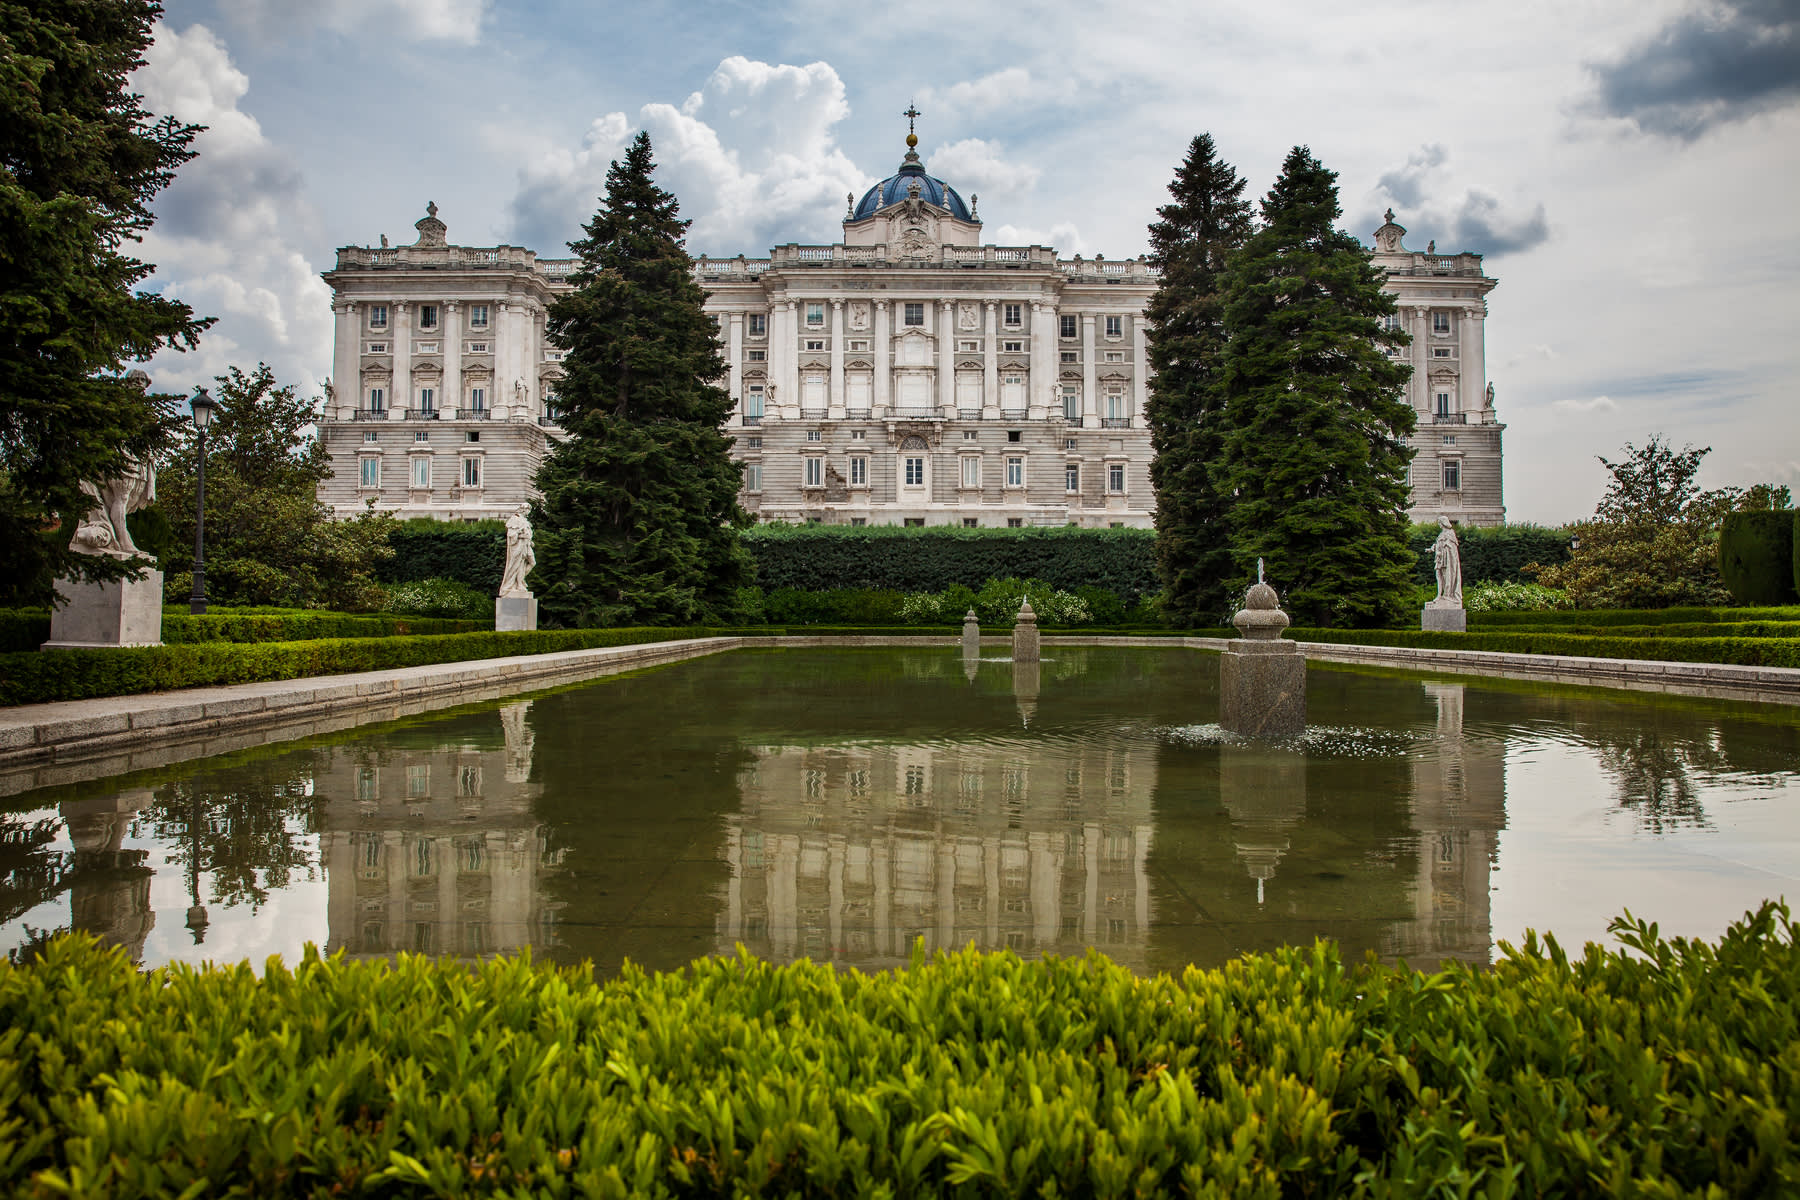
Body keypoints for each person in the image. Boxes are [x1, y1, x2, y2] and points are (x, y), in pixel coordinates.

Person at [499, 509, 535, 595]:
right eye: (528, 509)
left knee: (532, 563)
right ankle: (518, 583)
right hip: (518, 546)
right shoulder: (515, 519)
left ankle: (520, 580)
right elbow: (512, 535)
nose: (529, 511)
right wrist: (523, 536)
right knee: (518, 565)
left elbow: (528, 534)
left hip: (526, 545)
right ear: (523, 510)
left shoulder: (525, 521)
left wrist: (530, 541)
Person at [1433, 515, 1462, 605]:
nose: (1439, 525)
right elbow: (1439, 545)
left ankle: (1448, 594)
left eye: (1439, 523)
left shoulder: (1450, 533)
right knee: (1439, 576)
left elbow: (1452, 548)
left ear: (1443, 523)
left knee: (1447, 576)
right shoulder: (1441, 534)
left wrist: (1445, 546)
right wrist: (1433, 548)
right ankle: (1439, 595)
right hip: (1439, 559)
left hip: (1447, 559)